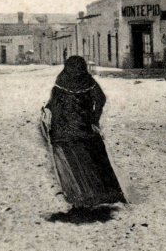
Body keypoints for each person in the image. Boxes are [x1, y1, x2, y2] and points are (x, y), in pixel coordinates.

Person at [43, 55, 127, 210]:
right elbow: (101, 99)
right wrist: (94, 119)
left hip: (63, 132)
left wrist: (51, 117)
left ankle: (78, 195)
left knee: (71, 163)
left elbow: (53, 104)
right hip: (85, 129)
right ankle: (104, 194)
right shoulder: (89, 82)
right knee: (95, 157)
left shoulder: (61, 82)